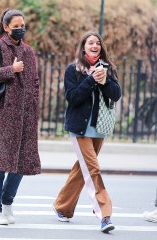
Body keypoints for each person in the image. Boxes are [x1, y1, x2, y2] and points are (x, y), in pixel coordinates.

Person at [52, 31, 121, 233]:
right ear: (83, 47)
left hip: (99, 129)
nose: (95, 45)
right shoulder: (73, 70)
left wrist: (105, 81)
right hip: (80, 129)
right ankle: (104, 215)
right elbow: (72, 98)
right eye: (90, 42)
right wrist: (91, 80)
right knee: (93, 170)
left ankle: (62, 207)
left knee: (82, 169)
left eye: (98, 43)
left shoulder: (108, 69)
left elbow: (115, 95)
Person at [0, 9, 41, 225]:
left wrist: (33, 103)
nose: (20, 29)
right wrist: (10, 69)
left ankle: (7, 202)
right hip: (0, 116)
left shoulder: (29, 51)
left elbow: (34, 82)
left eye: (22, 25)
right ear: (6, 27)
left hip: (24, 117)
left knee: (22, 164)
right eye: (16, 26)